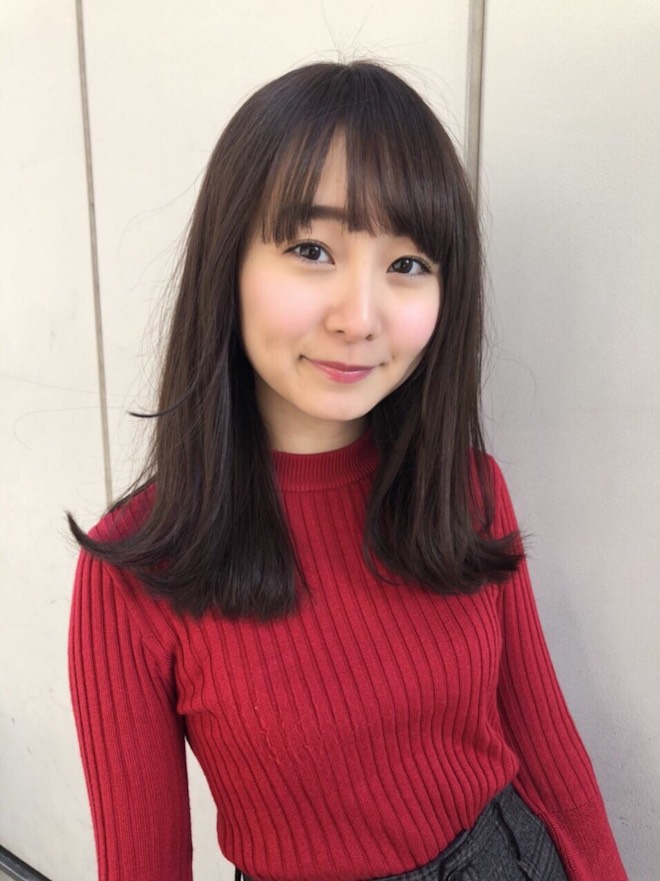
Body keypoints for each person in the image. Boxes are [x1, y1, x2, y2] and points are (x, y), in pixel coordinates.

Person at [68, 61, 628, 881]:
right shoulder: (138, 568)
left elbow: (549, 752)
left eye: (407, 264)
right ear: (230, 262)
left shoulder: (467, 488)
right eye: (312, 249)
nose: (360, 318)